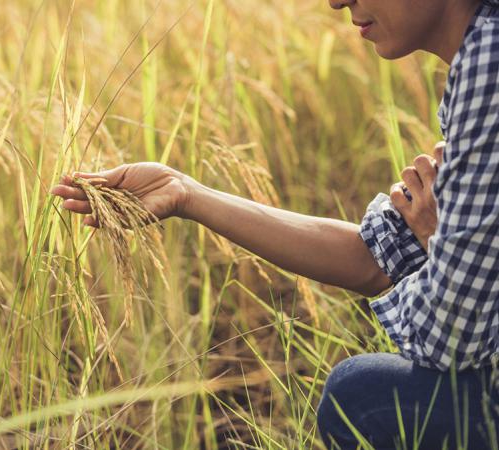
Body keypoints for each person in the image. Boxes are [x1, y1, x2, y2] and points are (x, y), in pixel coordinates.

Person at [52, 0, 499, 447]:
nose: (337, 1)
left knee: (362, 395)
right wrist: (185, 192)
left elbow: (451, 339)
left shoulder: (488, 71)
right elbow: (371, 258)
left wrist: (435, 238)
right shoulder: (476, 62)